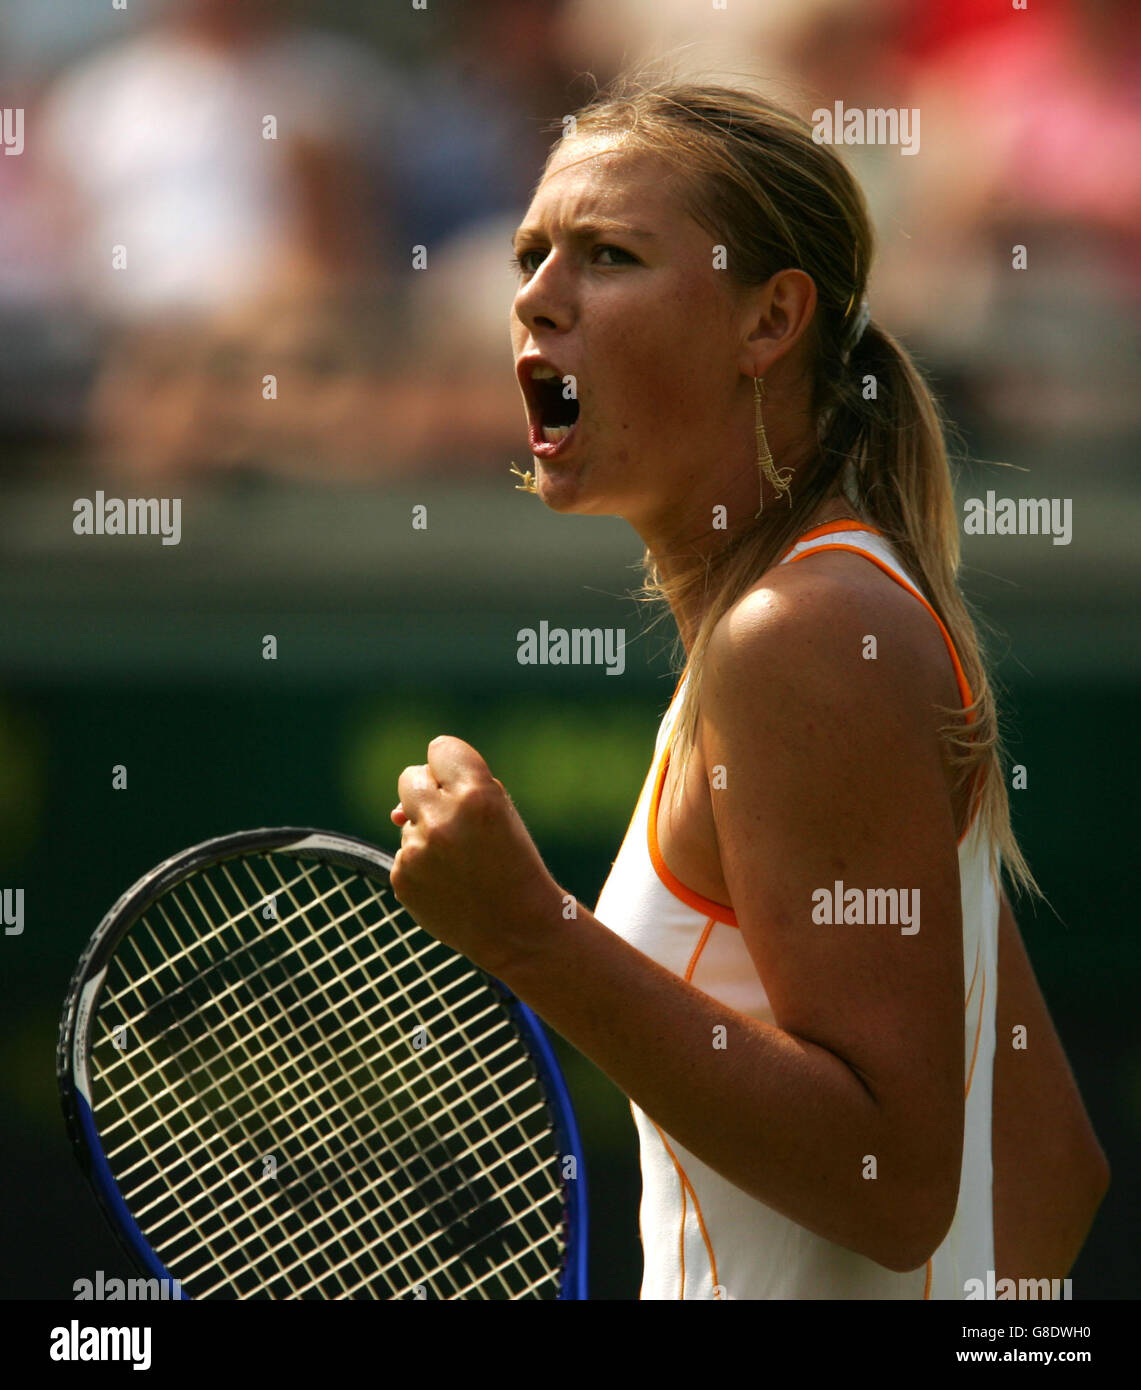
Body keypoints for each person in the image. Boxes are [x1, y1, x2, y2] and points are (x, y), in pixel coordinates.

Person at [388, 77, 1109, 1300]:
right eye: (530, 254)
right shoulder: (821, 614)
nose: (534, 297)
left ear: (768, 321)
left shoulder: (802, 633)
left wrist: (530, 933)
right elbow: (1046, 1170)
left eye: (607, 255)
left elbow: (894, 1179)